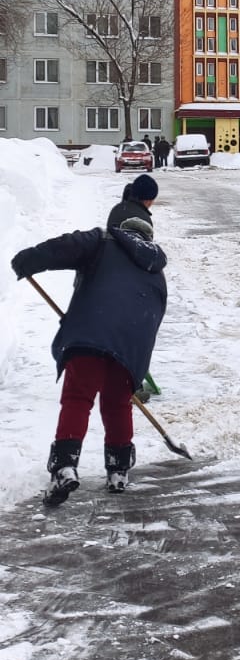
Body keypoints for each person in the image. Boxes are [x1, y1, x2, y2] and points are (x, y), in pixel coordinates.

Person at [10, 182, 167, 506]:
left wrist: (28, 260)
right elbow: (154, 318)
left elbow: (64, 247)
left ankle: (66, 466)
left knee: (78, 399)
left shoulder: (102, 241)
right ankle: (118, 471)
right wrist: (136, 361)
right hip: (128, 347)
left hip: (90, 336)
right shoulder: (155, 270)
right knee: (117, 402)